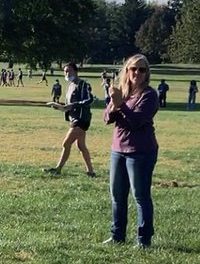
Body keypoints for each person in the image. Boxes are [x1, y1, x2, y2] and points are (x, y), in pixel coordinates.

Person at [103, 54, 160, 248]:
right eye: (133, 69)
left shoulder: (149, 95)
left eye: (142, 69)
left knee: (140, 196)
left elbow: (136, 121)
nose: (137, 73)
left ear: (147, 74)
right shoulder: (123, 92)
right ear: (126, 71)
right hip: (118, 149)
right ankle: (117, 235)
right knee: (117, 195)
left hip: (141, 151)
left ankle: (144, 239)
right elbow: (106, 118)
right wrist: (114, 105)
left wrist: (120, 105)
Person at [44, 62, 96, 177]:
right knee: (81, 146)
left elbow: (89, 100)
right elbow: (67, 106)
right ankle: (90, 171)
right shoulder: (69, 86)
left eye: (69, 71)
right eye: (65, 71)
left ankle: (58, 169)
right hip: (74, 119)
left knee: (66, 144)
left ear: (75, 71)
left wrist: (72, 106)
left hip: (81, 119)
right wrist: (59, 107)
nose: (66, 73)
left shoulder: (82, 84)